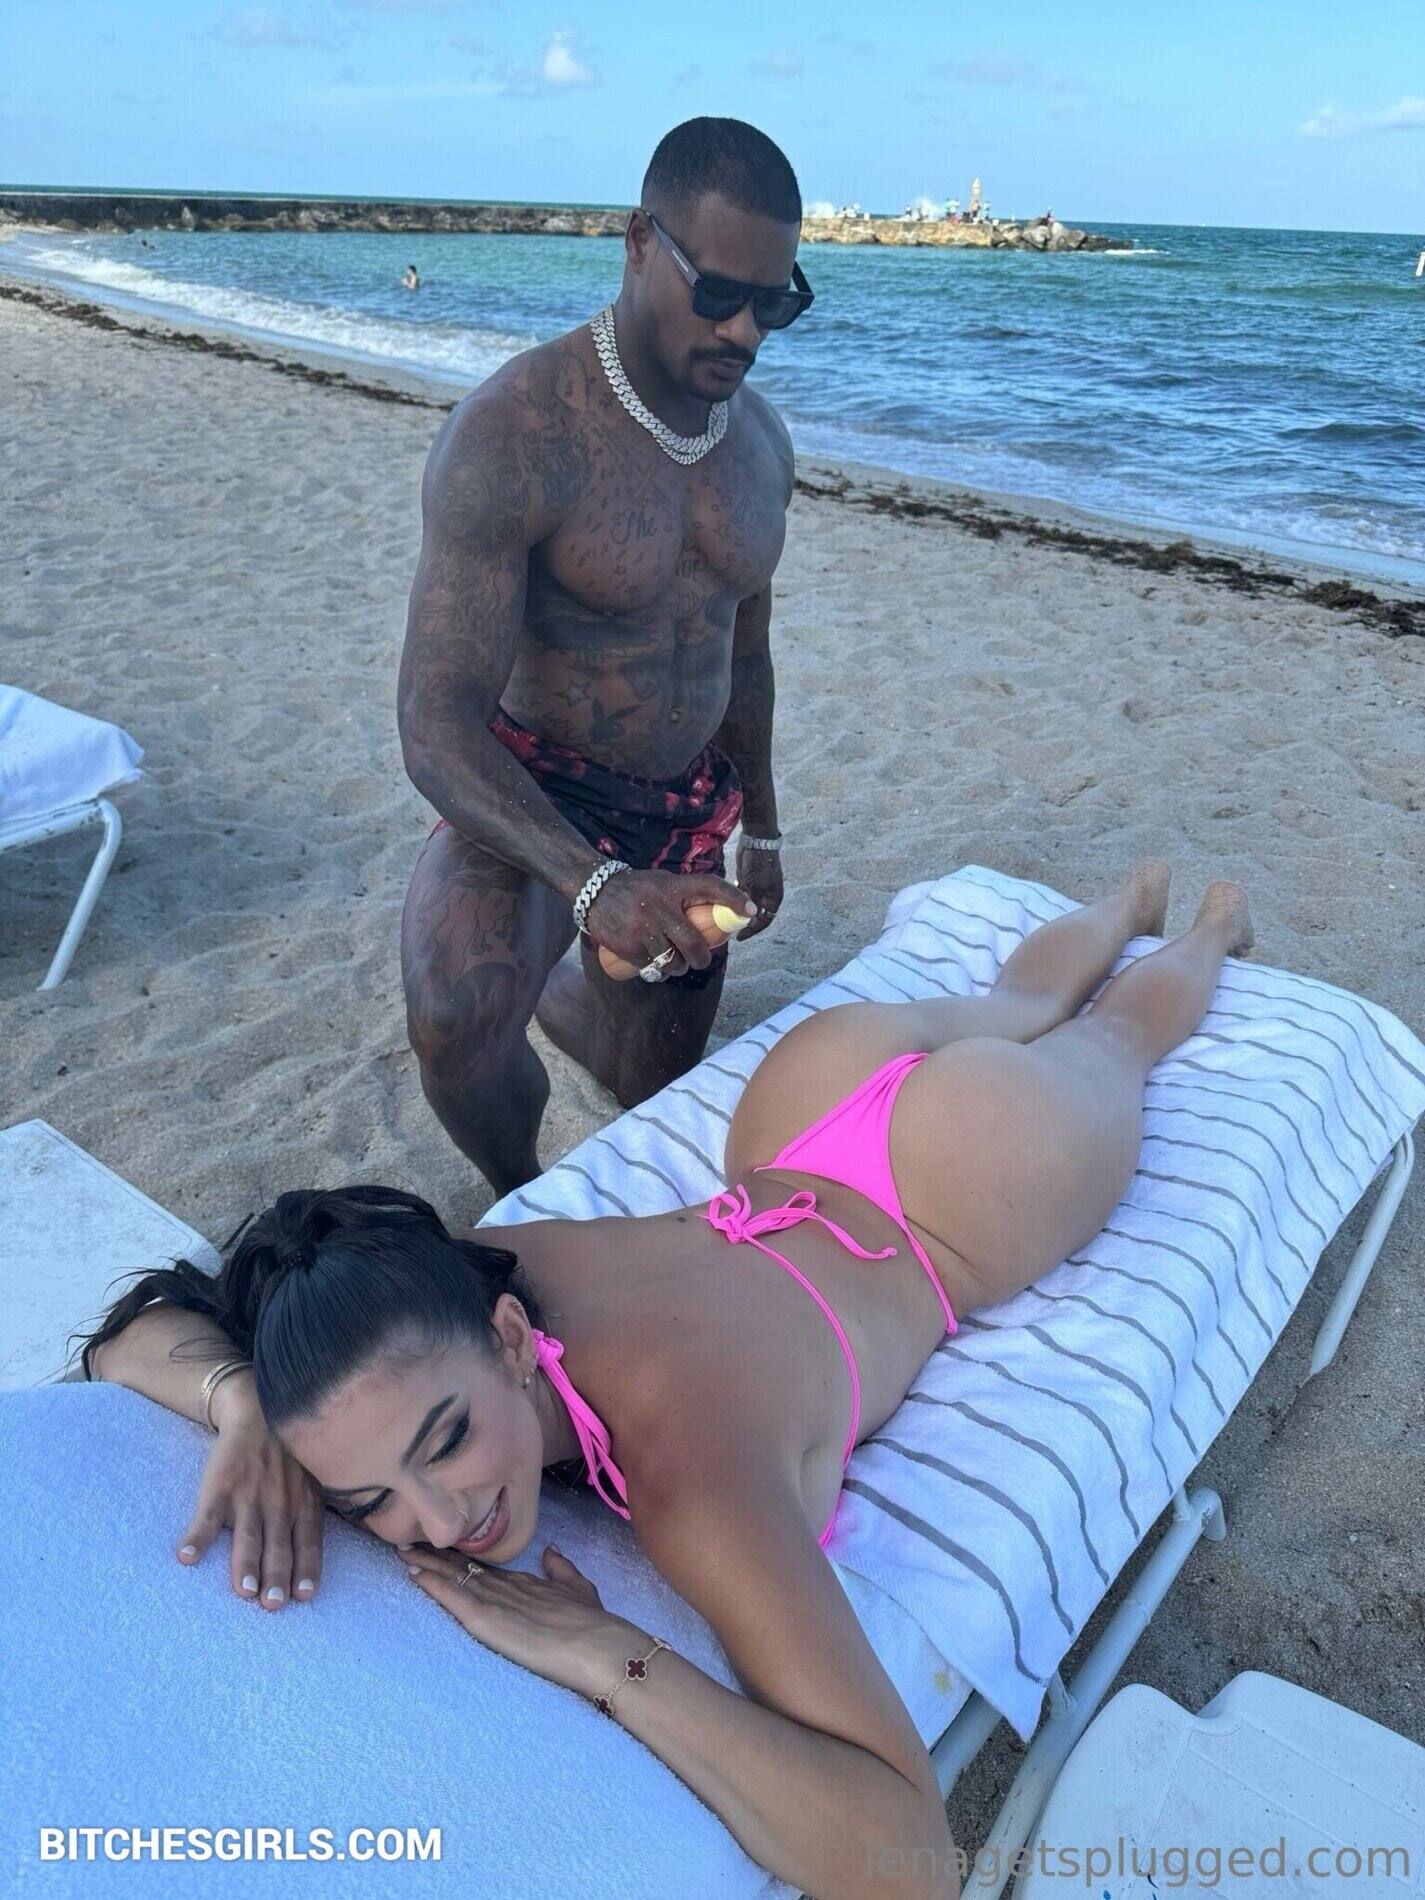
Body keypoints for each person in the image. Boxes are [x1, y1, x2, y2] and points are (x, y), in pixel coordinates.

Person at [81, 860, 1256, 1897]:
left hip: (959, 1197)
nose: (439, 1521)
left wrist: (615, 1660)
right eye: (368, 1498)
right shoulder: (423, 1295)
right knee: (1016, 1008)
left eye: (445, 1443)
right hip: (792, 1120)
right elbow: (127, 1339)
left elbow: (905, 1857)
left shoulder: (690, 1470)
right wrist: (244, 1403)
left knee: (1116, 1041)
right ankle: (1130, 903)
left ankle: (1209, 929)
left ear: (508, 1337)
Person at [398, 117, 812, 1196]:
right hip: (534, 788)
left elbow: (747, 653)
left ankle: (571, 984)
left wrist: (763, 824)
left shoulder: (762, 445)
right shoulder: (513, 436)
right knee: (456, 1019)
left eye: (774, 303)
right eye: (718, 293)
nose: (745, 332)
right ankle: (517, 1187)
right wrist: (592, 885)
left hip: (681, 802)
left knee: (650, 1087)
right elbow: (435, 721)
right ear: (637, 242)